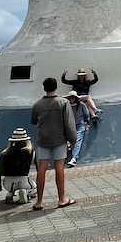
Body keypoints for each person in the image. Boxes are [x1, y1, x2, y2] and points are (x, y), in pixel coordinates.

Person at [30, 77, 77, 210]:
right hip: (59, 139)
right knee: (59, 168)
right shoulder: (63, 102)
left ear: (44, 88)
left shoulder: (37, 104)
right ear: (56, 87)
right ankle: (62, 199)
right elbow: (69, 123)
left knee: (41, 169)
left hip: (43, 140)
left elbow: (33, 121)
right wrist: (72, 139)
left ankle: (39, 202)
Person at [0, 128, 37, 205]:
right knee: (33, 186)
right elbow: (36, 166)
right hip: (24, 181)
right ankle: (25, 192)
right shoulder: (30, 152)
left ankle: (10, 193)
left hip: (7, 184)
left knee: (11, 186)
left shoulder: (5, 153)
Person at [65, 90, 91, 165]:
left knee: (77, 141)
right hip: (70, 125)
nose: (71, 99)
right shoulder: (66, 106)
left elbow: (86, 114)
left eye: (73, 97)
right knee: (68, 140)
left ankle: (74, 157)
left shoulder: (81, 105)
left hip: (80, 124)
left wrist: (87, 123)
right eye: (70, 97)